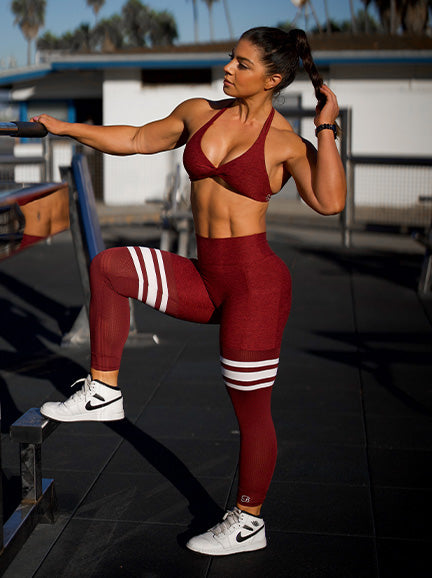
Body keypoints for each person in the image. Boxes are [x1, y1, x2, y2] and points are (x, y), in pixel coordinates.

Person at [34, 27, 346, 556]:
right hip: (206, 276)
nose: (228, 68)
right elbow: (134, 139)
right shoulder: (200, 112)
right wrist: (63, 127)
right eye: (230, 58)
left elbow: (330, 201)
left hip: (255, 286)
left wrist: (327, 127)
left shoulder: (287, 142)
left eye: (242, 65)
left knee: (249, 412)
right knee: (110, 267)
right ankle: (104, 389)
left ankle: (248, 520)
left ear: (272, 79)